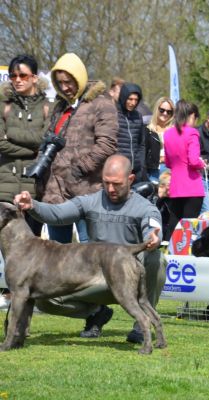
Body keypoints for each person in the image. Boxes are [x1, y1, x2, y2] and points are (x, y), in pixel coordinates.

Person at [14, 155, 165, 344]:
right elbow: (58, 214)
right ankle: (96, 313)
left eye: (116, 184)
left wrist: (153, 239)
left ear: (131, 180)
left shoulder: (145, 208)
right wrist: (32, 205)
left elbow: (153, 230)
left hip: (128, 277)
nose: (110, 189)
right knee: (44, 298)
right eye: (106, 183)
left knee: (156, 259)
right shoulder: (90, 202)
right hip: (96, 279)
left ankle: (141, 325)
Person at [38, 53, 118, 244]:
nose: (65, 87)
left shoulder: (102, 103)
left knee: (89, 253)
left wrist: (79, 169)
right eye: (60, 83)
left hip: (87, 192)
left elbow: (107, 144)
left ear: (79, 77)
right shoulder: (60, 107)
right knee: (57, 256)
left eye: (69, 81)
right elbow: (47, 141)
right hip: (55, 193)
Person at [0, 54, 50, 236]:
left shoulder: (47, 107)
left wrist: (11, 134)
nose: (17, 80)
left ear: (35, 77)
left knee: (32, 252)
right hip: (4, 189)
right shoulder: (3, 106)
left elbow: (44, 140)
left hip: (34, 192)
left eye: (23, 76)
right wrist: (33, 149)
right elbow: (1, 144)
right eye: (13, 76)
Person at [163, 100, 205, 241]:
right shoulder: (192, 133)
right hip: (192, 186)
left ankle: (167, 253)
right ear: (192, 115)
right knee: (189, 227)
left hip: (175, 186)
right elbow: (193, 160)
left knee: (173, 224)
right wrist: (201, 163)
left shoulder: (167, 134)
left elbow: (168, 162)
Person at [116, 83, 145, 182]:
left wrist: (140, 163)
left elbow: (141, 143)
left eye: (136, 100)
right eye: (130, 99)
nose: (133, 103)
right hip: (119, 169)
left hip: (135, 171)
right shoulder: (113, 115)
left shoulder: (138, 116)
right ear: (124, 97)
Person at [145, 97, 175, 184]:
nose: (165, 113)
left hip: (170, 171)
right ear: (156, 109)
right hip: (152, 171)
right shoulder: (147, 129)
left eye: (169, 112)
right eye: (162, 110)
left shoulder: (174, 131)